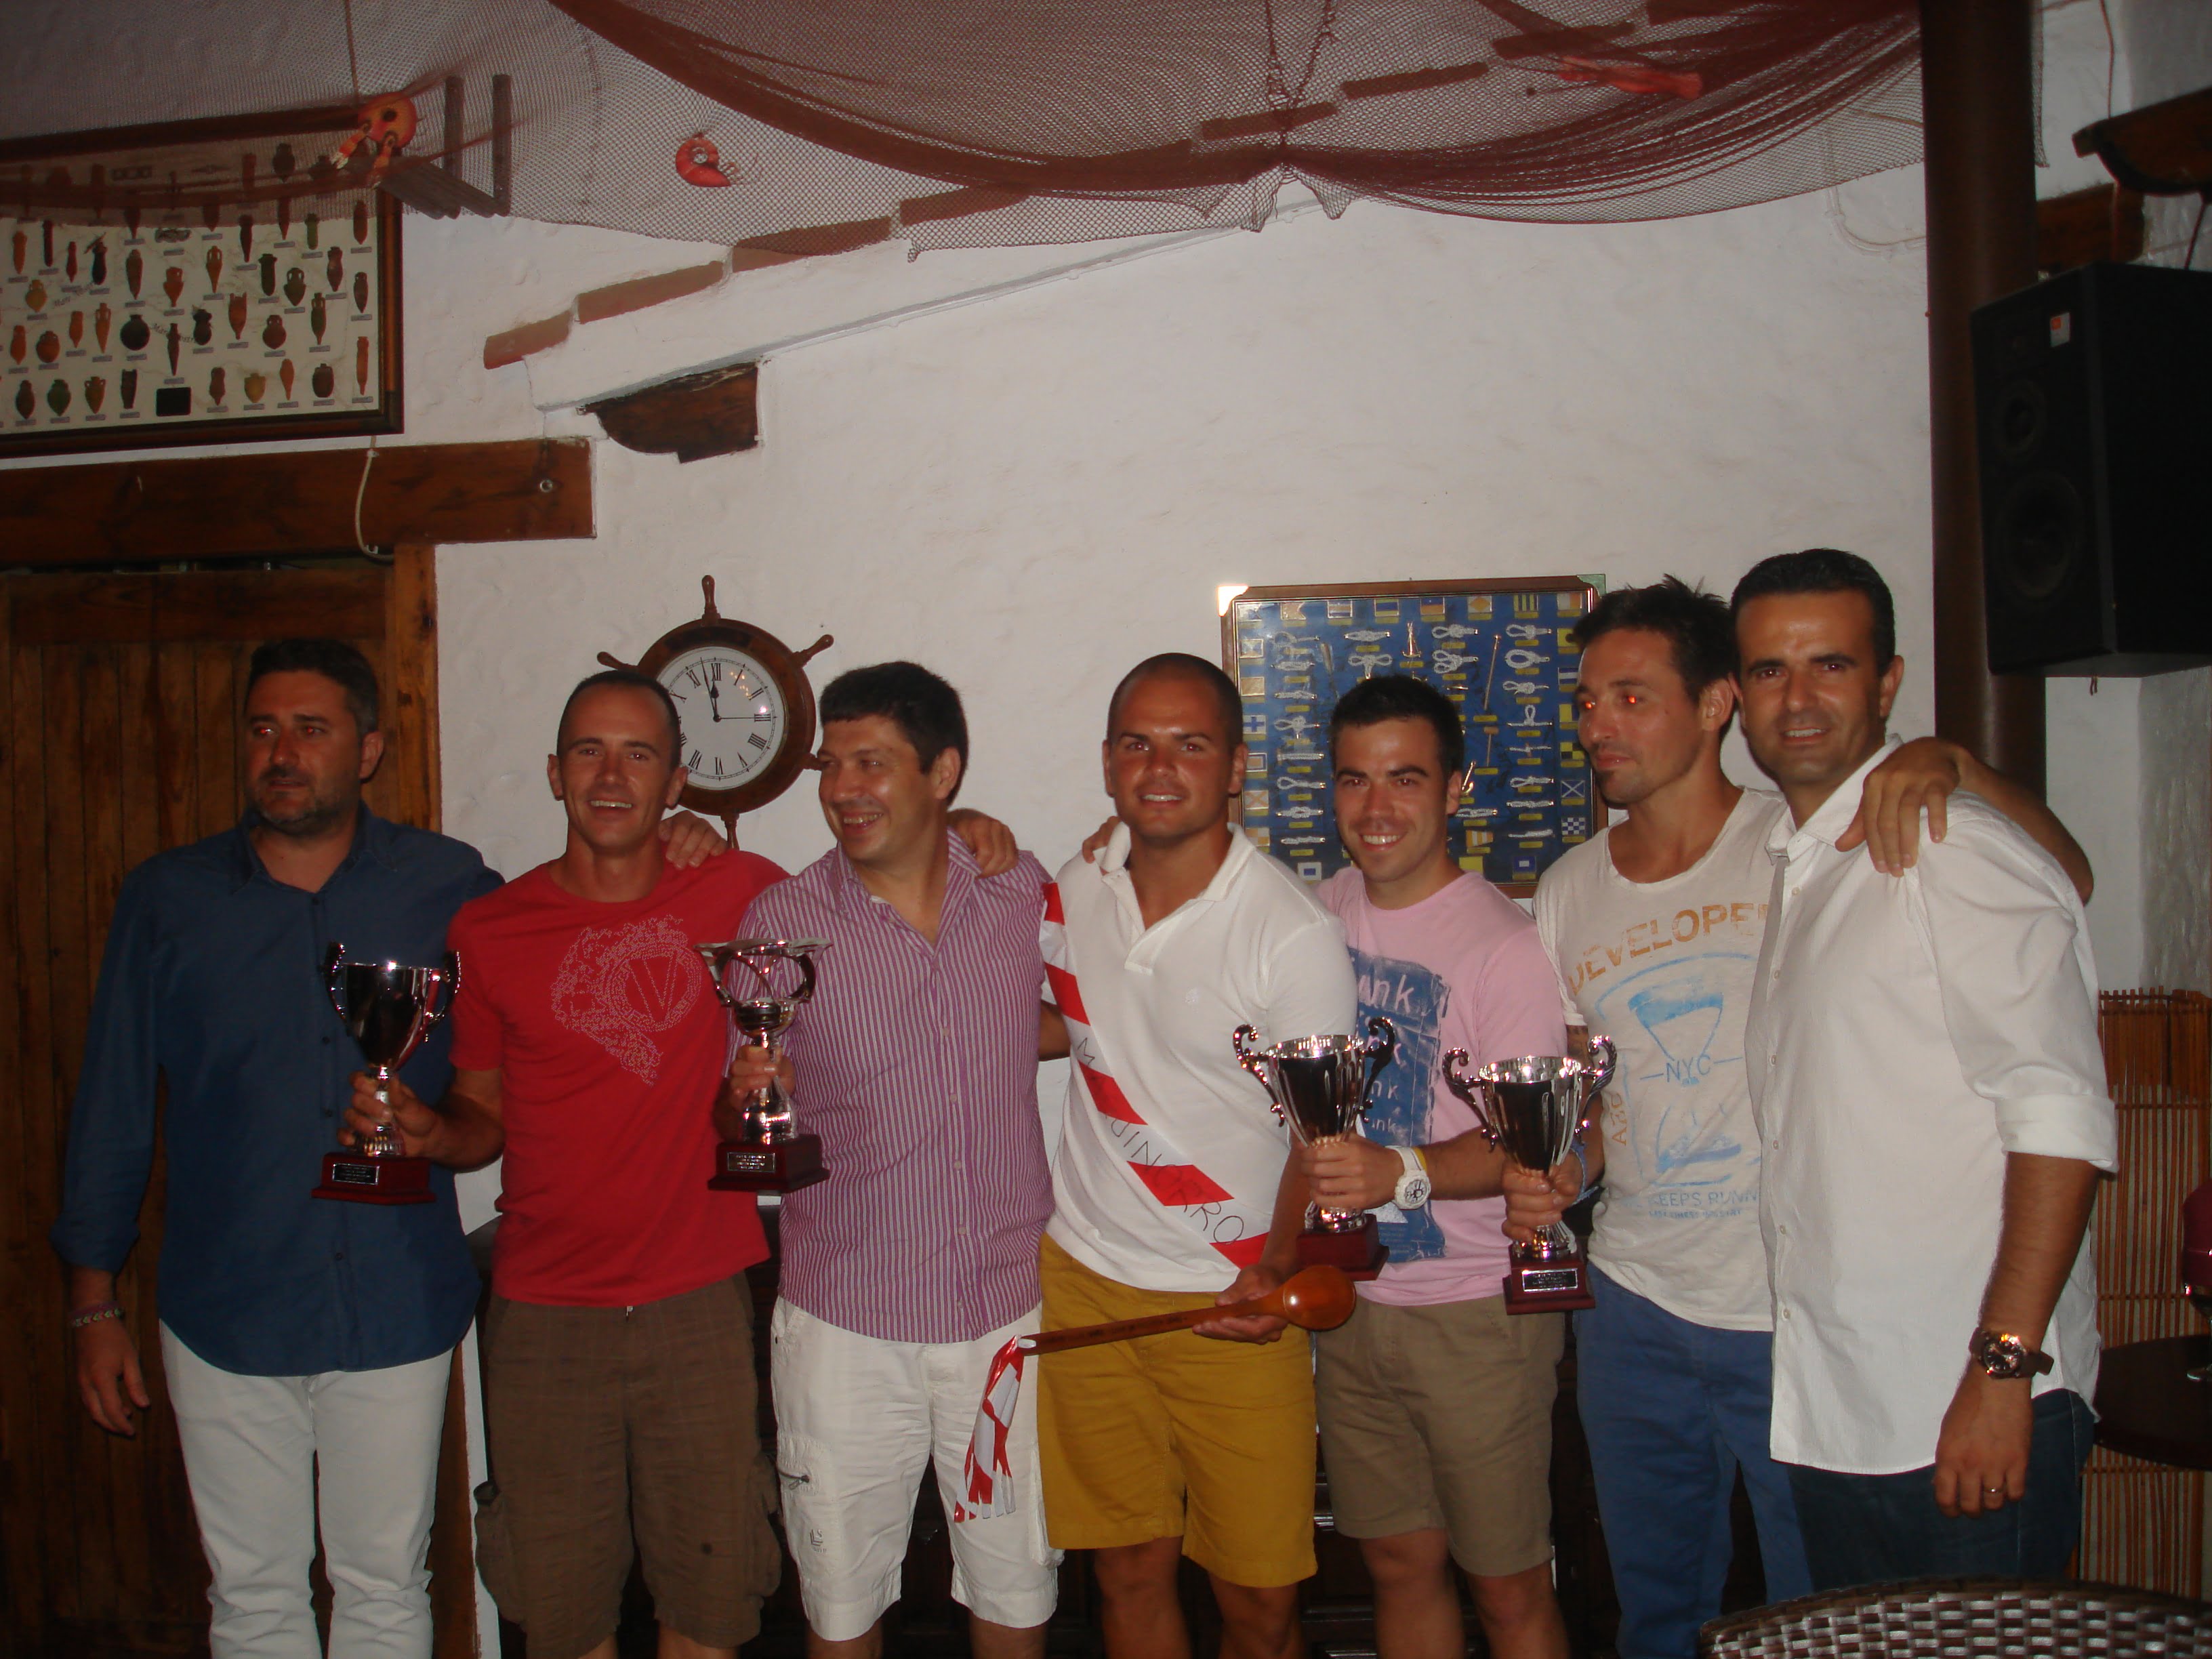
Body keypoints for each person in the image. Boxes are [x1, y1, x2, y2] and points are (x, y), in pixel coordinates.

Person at [1507, 578, 2095, 1654]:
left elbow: (2063, 900)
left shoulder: (1835, 830)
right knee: (1663, 1614)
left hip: (1794, 1318)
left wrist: (1958, 765)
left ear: (1713, 704)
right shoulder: (1580, 889)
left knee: (1814, 1621)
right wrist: (1564, 1171)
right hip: (1650, 1306)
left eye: (1631, 697)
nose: (1598, 726)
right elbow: (1600, 1094)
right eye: (1587, 702)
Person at [51, 638, 500, 1659]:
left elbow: (562, 935)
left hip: (394, 1293)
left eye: (311, 729)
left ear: (368, 749)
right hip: (227, 1305)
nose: (282, 753)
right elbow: (113, 1104)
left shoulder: (450, 886)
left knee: (386, 1586)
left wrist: (683, 832)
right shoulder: (168, 899)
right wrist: (93, 1303)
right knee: (252, 1597)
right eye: (262, 729)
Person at [348, 669, 785, 1659]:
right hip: (543, 1317)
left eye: (639, 754)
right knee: (559, 1616)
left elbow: (868, 885)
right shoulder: (490, 929)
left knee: (713, 1607)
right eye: (590, 750)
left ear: (675, 781)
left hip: (697, 1304)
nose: (612, 775)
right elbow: (481, 1118)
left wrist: (966, 828)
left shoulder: (739, 889)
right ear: (555, 773)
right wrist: (428, 1134)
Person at [1731, 548, 2115, 1587]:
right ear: (1740, 697)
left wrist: (2004, 1370)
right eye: (1769, 670)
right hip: (1844, 1414)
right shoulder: (1809, 865)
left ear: (1888, 682)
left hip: (1970, 1405)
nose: (1798, 699)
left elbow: (2059, 1117)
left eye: (1832, 664)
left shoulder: (1948, 844)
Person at [731, 661, 1062, 1658]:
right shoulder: (780, 922)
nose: (843, 788)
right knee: (840, 1606)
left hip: (1004, 1316)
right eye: (831, 766)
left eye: (871, 763)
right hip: (846, 1322)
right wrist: (752, 1094)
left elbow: (1087, 1017)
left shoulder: (1018, 890)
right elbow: (738, 1108)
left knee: (1016, 1593)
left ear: (942, 772)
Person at [1041, 652, 1355, 1659]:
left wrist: (1275, 1266)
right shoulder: (1075, 886)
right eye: (1137, 743)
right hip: (1086, 1284)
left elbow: (1321, 1134)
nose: (1160, 767)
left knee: (1259, 1602)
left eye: (1190, 744)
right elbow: (1077, 1026)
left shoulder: (1290, 931)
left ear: (1236, 767)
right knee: (1126, 1572)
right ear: (1107, 762)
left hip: (1234, 1295)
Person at [1296, 676, 1572, 1659]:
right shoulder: (1317, 912)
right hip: (1353, 1305)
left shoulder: (1504, 947)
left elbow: (1528, 1143)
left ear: (1455, 789)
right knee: (1398, 1567)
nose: (1376, 808)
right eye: (1354, 779)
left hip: (1474, 1317)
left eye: (1405, 779)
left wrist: (1400, 1173)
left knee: (1507, 1587)